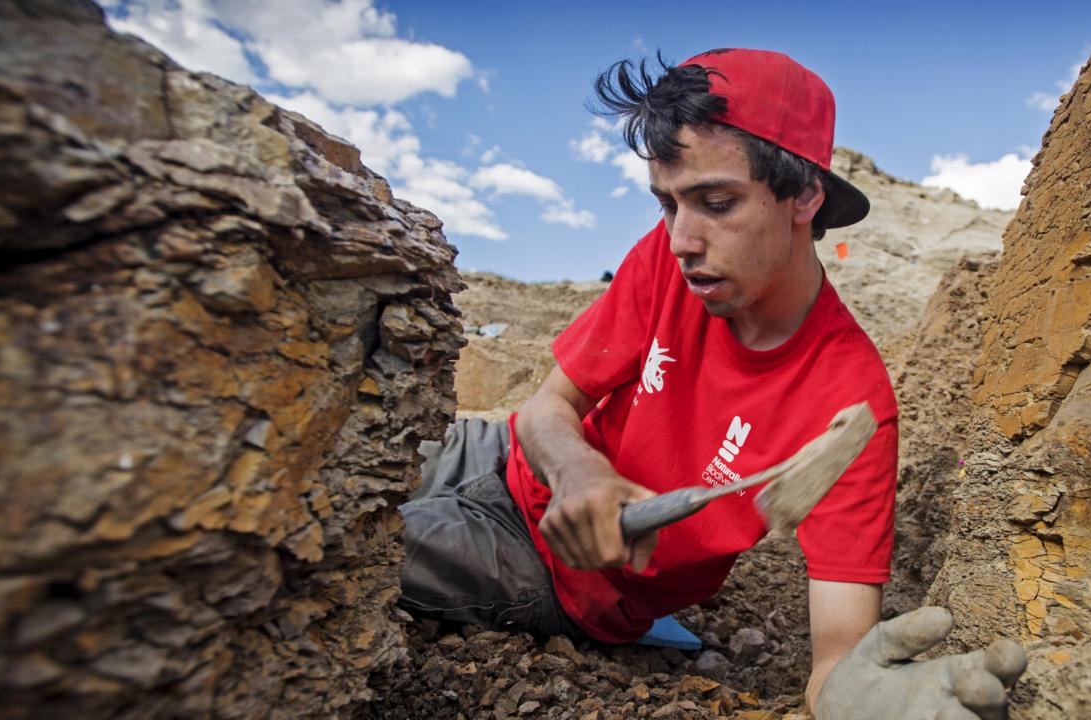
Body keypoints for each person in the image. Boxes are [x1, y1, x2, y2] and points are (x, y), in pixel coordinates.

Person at [399, 49, 1024, 719]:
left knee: (332, 542)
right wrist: (581, 471)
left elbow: (836, 663)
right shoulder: (670, 262)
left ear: (805, 196)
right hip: (498, 454)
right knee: (348, 454)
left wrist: (852, 696)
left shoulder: (851, 409)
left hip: (555, 570)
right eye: (667, 203)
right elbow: (548, 405)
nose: (680, 239)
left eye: (716, 202)